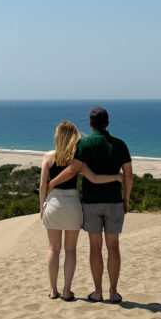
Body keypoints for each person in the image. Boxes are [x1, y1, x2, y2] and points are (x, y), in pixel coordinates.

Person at [48, 107, 132, 304]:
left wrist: (51, 184)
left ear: (90, 124)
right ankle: (113, 293)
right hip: (114, 201)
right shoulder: (120, 144)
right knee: (113, 247)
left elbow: (72, 171)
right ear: (108, 123)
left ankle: (98, 292)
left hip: (91, 203)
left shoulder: (84, 144)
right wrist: (126, 198)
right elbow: (128, 174)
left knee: (95, 247)